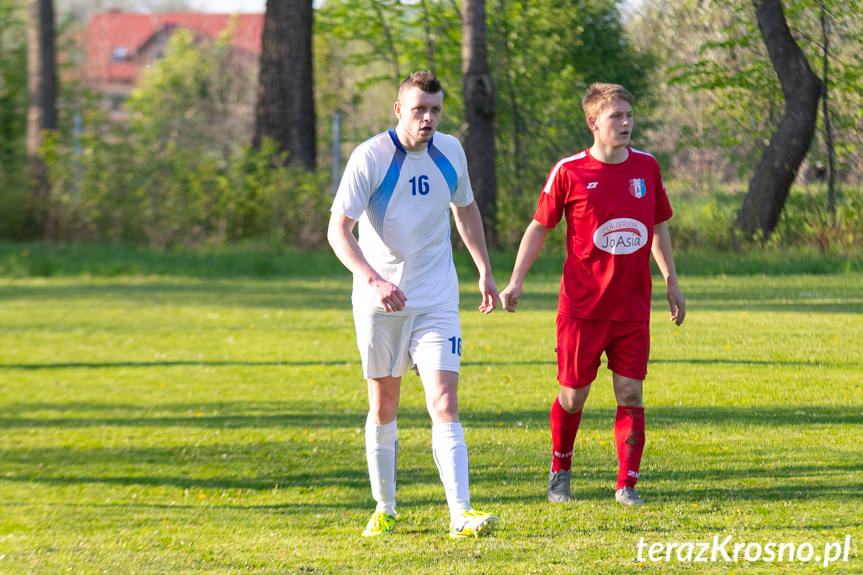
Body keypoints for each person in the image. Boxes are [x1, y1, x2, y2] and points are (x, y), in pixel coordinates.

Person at [327, 71, 500, 538]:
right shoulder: (371, 157)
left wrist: (482, 266)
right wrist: (372, 281)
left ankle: (460, 513)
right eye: (419, 109)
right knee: (384, 406)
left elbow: (464, 209)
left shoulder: (452, 152)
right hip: (381, 302)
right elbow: (337, 230)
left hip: (436, 298)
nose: (428, 118)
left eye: (435, 110)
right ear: (399, 110)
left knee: (444, 400)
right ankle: (385, 506)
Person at [499, 83, 685, 506]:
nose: (625, 123)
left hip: (633, 308)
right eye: (616, 116)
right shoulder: (569, 171)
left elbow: (657, 226)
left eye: (629, 115)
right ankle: (560, 471)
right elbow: (539, 227)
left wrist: (671, 280)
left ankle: (627, 484)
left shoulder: (647, 168)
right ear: (593, 122)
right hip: (582, 309)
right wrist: (516, 280)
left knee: (631, 393)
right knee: (573, 395)